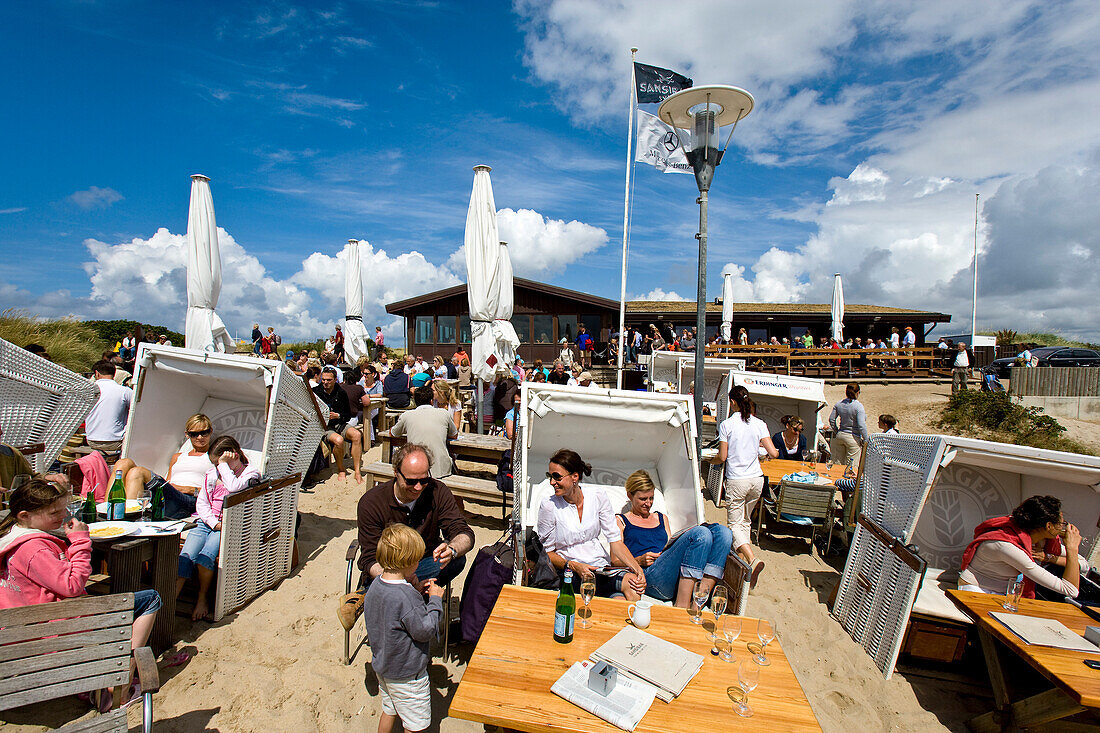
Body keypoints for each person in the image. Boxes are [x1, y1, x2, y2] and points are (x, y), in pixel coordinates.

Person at [0, 478, 161, 708]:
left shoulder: (11, 539)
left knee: (111, 601)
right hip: (52, 629)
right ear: (25, 515)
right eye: (54, 512)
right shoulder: (33, 549)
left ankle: (96, 680)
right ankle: (118, 687)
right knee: (150, 599)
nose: (63, 514)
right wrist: (80, 541)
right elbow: (73, 585)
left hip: (24, 627)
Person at [347, 443, 474, 615]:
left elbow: (463, 532)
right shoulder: (372, 502)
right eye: (411, 481)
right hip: (388, 571)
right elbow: (369, 559)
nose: (418, 487)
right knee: (388, 580)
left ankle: (369, 594)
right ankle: (401, 592)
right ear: (395, 473)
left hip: (425, 563)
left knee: (457, 559)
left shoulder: (437, 491)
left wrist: (451, 549)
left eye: (424, 480)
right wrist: (402, 580)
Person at [363, 524, 445, 733]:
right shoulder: (405, 597)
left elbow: (392, 614)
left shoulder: (375, 587)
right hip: (408, 675)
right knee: (415, 724)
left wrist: (416, 590)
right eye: (417, 559)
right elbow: (424, 630)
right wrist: (434, 601)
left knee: (389, 709)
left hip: (384, 666)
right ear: (408, 562)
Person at [536, 449, 646, 600]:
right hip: (569, 571)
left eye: (557, 477)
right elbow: (547, 553)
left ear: (575, 477)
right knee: (616, 592)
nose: (552, 482)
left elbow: (615, 541)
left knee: (633, 584)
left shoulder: (598, 497)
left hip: (599, 567)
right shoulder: (549, 506)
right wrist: (574, 565)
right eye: (550, 476)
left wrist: (637, 569)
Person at [614, 470, 733, 607]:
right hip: (650, 575)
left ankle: (698, 600)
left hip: (671, 570)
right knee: (701, 534)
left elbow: (670, 549)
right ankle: (682, 605)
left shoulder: (661, 517)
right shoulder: (621, 521)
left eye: (651, 498)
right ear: (630, 496)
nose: (648, 503)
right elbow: (614, 561)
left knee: (723, 533)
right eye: (643, 499)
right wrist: (639, 560)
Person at [176, 436, 260, 621]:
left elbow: (234, 487)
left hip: (229, 526)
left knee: (205, 557)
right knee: (186, 556)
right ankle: (170, 601)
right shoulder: (213, 473)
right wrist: (213, 522)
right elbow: (202, 503)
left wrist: (223, 464)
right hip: (209, 522)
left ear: (234, 455)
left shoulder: (250, 474)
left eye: (219, 462)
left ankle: (202, 598)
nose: (217, 467)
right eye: (215, 463)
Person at [706, 385, 777, 587]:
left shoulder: (727, 425)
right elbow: (773, 453)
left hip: (737, 479)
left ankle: (752, 559)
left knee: (735, 523)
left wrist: (710, 461)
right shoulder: (759, 423)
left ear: (733, 402)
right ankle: (744, 567)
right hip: (757, 478)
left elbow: (722, 456)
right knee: (745, 522)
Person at [958, 495, 1087, 598]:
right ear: (1049, 527)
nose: (1063, 527)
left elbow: (1083, 565)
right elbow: (1070, 589)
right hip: (977, 592)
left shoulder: (1037, 540)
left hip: (1001, 594)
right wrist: (1072, 548)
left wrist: (1048, 558)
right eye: (1062, 523)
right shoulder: (1006, 546)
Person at [114, 413, 215, 514]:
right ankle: (108, 512)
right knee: (123, 464)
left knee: (137, 472)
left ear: (210, 431)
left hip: (189, 500)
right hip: (171, 495)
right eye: (194, 434)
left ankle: (128, 517)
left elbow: (221, 490)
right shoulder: (177, 457)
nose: (200, 437)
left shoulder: (216, 458)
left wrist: (190, 490)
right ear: (187, 435)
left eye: (204, 432)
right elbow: (168, 482)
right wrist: (171, 488)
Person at [391, 386, 457, 478]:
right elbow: (454, 435)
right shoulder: (444, 413)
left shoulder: (407, 415)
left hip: (415, 469)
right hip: (441, 469)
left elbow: (393, 433)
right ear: (431, 401)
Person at [314, 367, 360, 481]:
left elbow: (348, 414)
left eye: (329, 380)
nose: (325, 382)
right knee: (338, 440)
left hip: (340, 423)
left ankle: (357, 470)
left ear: (335, 379)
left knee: (357, 435)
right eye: (323, 379)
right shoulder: (316, 392)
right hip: (325, 427)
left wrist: (338, 415)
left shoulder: (341, 392)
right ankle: (341, 469)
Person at [85, 360, 133, 455]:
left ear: (97, 373)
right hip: (115, 441)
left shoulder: (88, 391)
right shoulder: (124, 391)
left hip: (91, 439)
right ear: (114, 374)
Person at [829, 382, 867, 470]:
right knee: (851, 466)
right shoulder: (858, 406)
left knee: (838, 463)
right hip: (853, 436)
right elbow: (861, 425)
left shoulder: (839, 404)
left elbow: (831, 419)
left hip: (841, 434)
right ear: (858, 393)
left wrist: (836, 430)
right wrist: (865, 439)